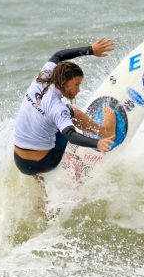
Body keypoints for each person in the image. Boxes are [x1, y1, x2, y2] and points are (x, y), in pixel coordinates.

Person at [13, 38, 117, 179]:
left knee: (44, 120)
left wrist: (91, 49)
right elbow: (71, 136)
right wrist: (97, 142)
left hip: (20, 162)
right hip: (44, 163)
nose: (78, 90)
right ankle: (104, 131)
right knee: (70, 112)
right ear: (64, 83)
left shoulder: (41, 79)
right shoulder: (58, 108)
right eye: (76, 84)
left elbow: (58, 56)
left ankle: (37, 178)